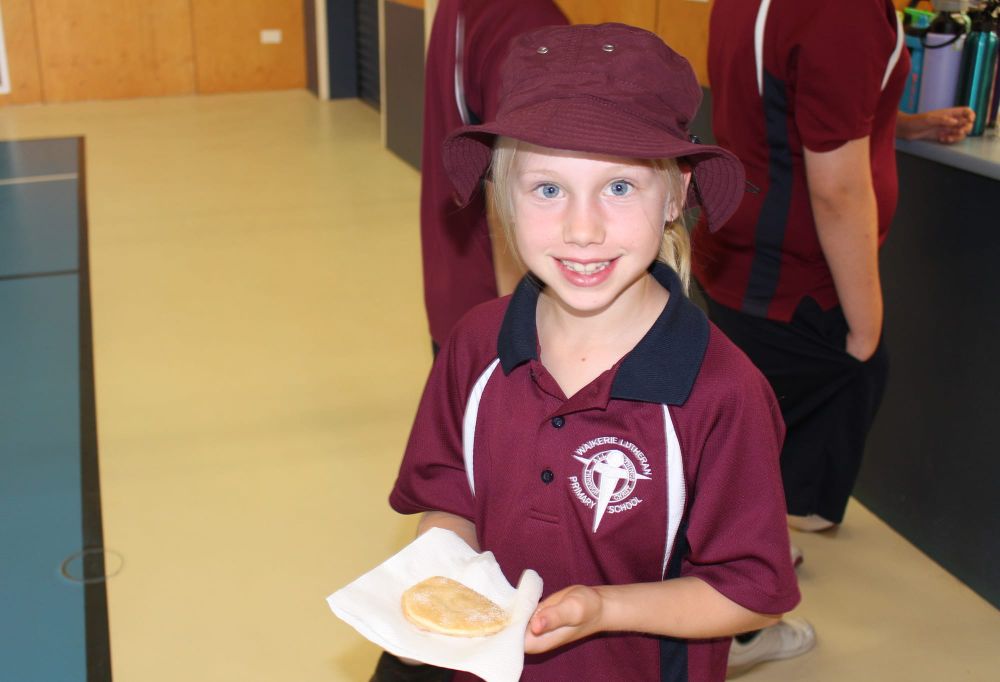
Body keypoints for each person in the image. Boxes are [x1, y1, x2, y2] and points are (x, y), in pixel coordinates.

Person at [389, 23, 801, 681]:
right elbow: (450, 501)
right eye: (548, 189)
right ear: (504, 196)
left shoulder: (722, 392)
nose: (583, 230)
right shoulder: (476, 344)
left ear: (676, 195)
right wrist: (438, 588)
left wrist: (606, 608)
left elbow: (751, 591)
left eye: (620, 187)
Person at [696, 0, 973, 675]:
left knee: (745, 440)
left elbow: (789, 102)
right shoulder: (841, 10)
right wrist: (867, 324)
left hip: (739, 247)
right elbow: (837, 191)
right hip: (792, 276)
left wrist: (901, 122)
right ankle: (729, 624)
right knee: (755, 449)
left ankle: (745, 561)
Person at [419, 0, 567, 353]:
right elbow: (515, 195)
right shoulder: (521, 18)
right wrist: (521, 349)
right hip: (500, 322)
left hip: (459, 297)